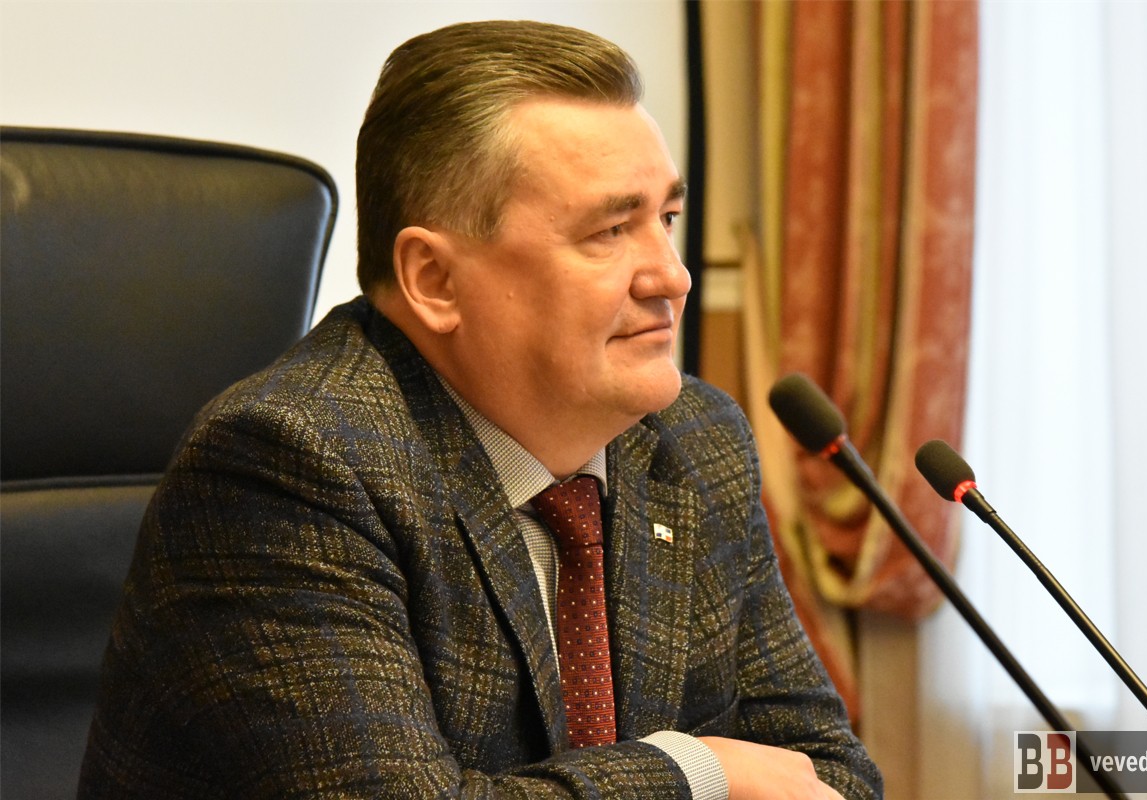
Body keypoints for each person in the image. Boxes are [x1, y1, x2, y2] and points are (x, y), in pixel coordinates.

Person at [78, 20, 882, 800]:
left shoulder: (694, 439)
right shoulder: (291, 466)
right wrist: (698, 772)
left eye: (665, 219)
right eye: (610, 230)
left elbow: (827, 774)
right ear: (435, 280)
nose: (672, 275)